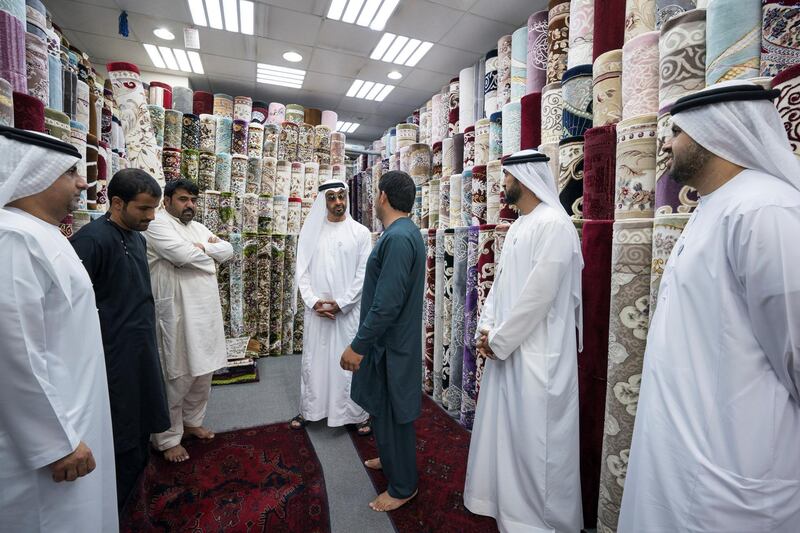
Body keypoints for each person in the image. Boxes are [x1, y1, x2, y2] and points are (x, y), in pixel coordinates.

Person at [619, 82, 800, 531]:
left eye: (676, 132)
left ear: (715, 133)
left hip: (736, 461)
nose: (665, 143)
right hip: (686, 449)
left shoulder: (766, 210)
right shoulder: (716, 207)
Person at [0, 125, 118, 531]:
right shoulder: (12, 239)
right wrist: (54, 442)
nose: (82, 182)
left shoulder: (41, 234)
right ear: (35, 174)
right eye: (71, 172)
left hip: (71, 410)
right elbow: (13, 353)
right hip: (49, 437)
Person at [464, 149, 584, 532]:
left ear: (526, 179)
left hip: (538, 354)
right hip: (508, 347)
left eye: (508, 179)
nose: (503, 186)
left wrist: (499, 340)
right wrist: (488, 330)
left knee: (538, 441)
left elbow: (538, 296)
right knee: (508, 433)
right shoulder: (520, 225)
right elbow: (501, 287)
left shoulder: (555, 225)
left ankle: (538, 521)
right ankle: (504, 505)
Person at [70, 168, 170, 511]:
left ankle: (133, 492)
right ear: (116, 202)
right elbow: (71, 310)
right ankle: (113, 506)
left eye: (154, 208)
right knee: (120, 426)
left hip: (140, 347)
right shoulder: (91, 240)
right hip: (110, 355)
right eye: (144, 208)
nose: (151, 216)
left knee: (142, 418)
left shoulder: (138, 238)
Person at [341, 170, 425, 512]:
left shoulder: (399, 238)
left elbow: (387, 302)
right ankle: (391, 461)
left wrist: (358, 345)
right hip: (388, 343)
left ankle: (404, 485)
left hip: (392, 344)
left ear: (383, 197)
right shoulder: (401, 234)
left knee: (395, 412)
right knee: (382, 406)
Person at [144, 179, 232, 463]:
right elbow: (180, 255)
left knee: (202, 372)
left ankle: (192, 423)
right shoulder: (157, 224)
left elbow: (228, 251)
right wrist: (208, 252)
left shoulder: (198, 228)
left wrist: (201, 250)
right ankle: (167, 438)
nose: (190, 205)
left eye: (193, 200)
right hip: (177, 312)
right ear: (166, 200)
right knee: (177, 373)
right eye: (183, 199)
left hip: (205, 311)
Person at [290, 179, 372, 434]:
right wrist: (314, 301)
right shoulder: (311, 232)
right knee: (315, 362)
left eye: (341, 196)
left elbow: (363, 274)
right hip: (318, 313)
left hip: (347, 313)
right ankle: (311, 410)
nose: (338, 202)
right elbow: (301, 271)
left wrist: (343, 303)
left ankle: (356, 414)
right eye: (332, 197)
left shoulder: (360, 233)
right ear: (323, 201)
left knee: (348, 363)